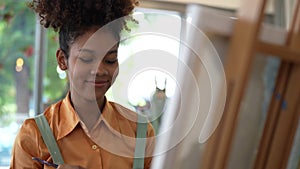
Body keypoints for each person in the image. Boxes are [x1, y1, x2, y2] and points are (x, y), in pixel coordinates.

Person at [10, 0, 155, 169]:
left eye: (110, 60)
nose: (100, 70)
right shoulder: (33, 137)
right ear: (62, 60)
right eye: (86, 59)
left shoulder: (140, 133)